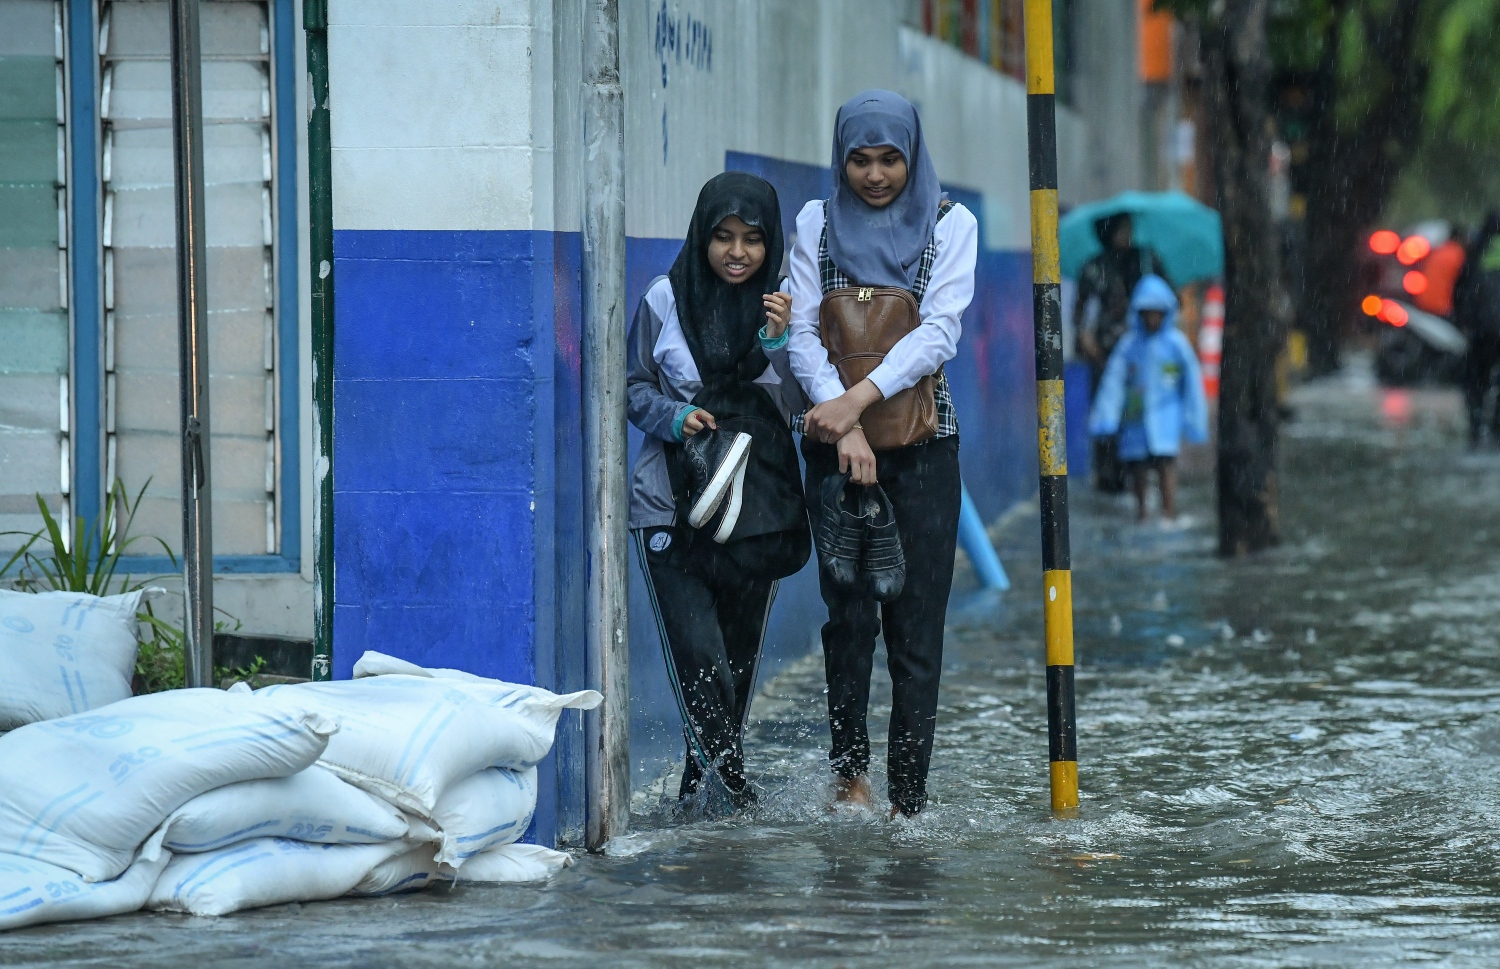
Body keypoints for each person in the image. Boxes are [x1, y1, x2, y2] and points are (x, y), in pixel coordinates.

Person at [786, 90, 978, 819]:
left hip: (926, 445)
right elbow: (803, 330)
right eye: (859, 160)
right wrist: (848, 428)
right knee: (848, 618)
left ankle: (908, 802)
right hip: (839, 447)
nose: (873, 175)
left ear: (913, 156)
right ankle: (850, 779)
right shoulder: (815, 220)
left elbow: (939, 335)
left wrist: (854, 403)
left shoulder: (953, 223)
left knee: (916, 625)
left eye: (890, 159)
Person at [626, 172, 810, 810]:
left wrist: (781, 346)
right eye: (723, 237)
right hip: (671, 505)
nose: (737, 252)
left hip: (754, 506)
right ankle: (735, 788)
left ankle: (699, 785)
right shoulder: (663, 299)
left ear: (771, 244)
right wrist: (675, 420)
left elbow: (799, 405)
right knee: (696, 652)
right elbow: (632, 387)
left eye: (753, 240)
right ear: (701, 236)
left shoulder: (785, 304)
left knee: (735, 660)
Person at [1087, 274, 1208, 521]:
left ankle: (1168, 514)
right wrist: (1105, 417)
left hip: (1166, 418)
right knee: (1138, 469)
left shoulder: (1177, 345)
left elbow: (1192, 384)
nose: (1152, 319)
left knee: (1166, 465)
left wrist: (1194, 420)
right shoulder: (1129, 345)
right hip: (1136, 419)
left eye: (1157, 313)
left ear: (1166, 313)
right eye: (1147, 313)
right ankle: (1142, 514)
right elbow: (1113, 382)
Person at [1073, 214, 1171, 493]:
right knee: (1108, 416)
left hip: (1145, 356)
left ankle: (1145, 476)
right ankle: (1110, 478)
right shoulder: (1094, 268)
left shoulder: (1147, 260)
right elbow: (1081, 316)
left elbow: (1167, 297)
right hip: (1105, 355)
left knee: (1145, 415)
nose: (1126, 235)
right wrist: (1089, 343)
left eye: (1129, 229)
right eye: (1121, 229)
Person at [1454, 211, 1500, 446]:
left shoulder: (1478, 250)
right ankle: (1496, 429)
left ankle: (1475, 427)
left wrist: (1464, 321)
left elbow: (1460, 289)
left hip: (1482, 332)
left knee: (1475, 381)